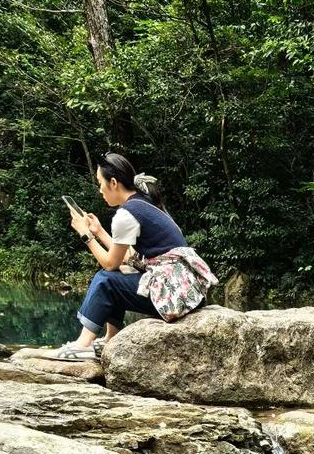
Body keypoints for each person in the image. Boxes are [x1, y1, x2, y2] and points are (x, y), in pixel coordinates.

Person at [51, 151, 217, 360]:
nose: (100, 190)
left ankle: (83, 345)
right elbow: (124, 257)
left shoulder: (126, 214)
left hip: (175, 294)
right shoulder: (143, 202)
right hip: (185, 290)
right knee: (118, 276)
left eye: (100, 183)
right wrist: (99, 231)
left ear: (113, 182)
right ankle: (111, 339)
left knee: (106, 280)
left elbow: (110, 264)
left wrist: (85, 236)